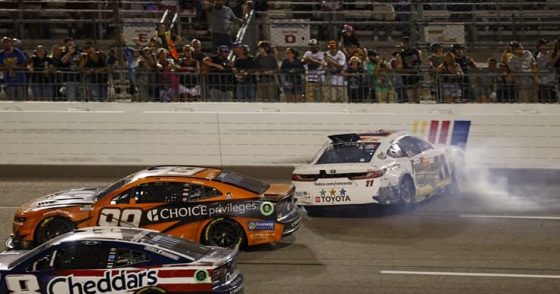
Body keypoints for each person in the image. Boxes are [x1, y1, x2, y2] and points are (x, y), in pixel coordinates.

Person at [395, 36, 422, 103]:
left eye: (408, 42)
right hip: (408, 78)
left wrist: (418, 68)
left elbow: (421, 62)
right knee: (411, 97)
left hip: (417, 76)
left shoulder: (416, 52)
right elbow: (398, 68)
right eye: (405, 43)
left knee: (418, 97)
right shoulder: (401, 55)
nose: (407, 44)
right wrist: (408, 71)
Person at [534, 38, 557, 103]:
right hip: (543, 81)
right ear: (540, 46)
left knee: (553, 100)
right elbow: (548, 64)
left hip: (551, 80)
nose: (547, 46)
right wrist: (557, 56)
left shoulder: (549, 53)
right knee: (544, 100)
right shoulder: (538, 56)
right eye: (545, 45)